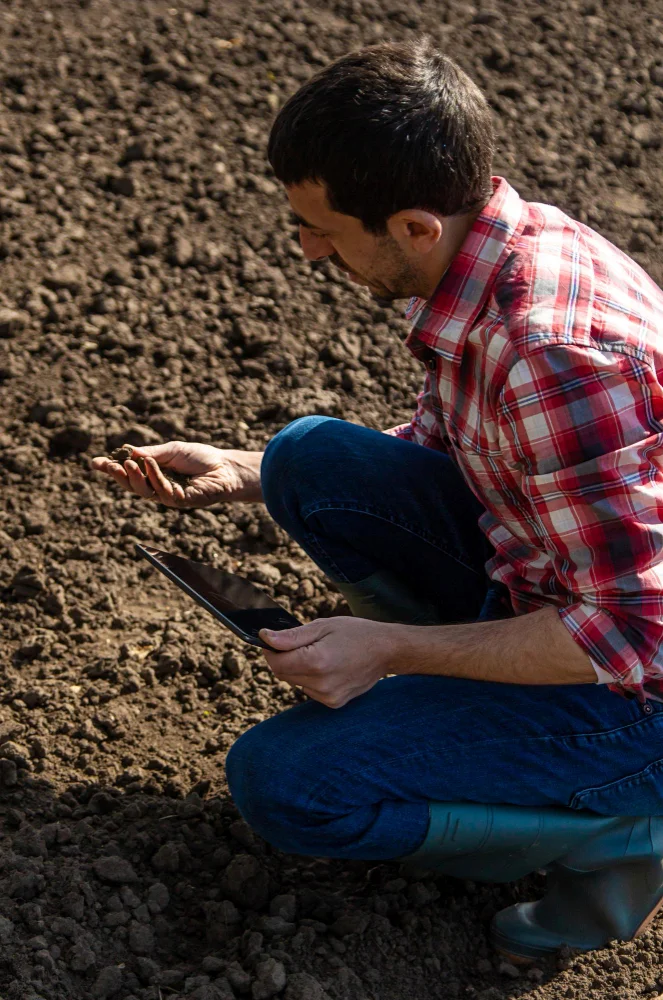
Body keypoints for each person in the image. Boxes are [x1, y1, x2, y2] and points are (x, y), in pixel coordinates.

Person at [92, 39, 663, 961]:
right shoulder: (486, 254)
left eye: (321, 228)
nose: (309, 250)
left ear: (411, 225)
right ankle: (451, 705)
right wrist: (243, 469)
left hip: (639, 698)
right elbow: (456, 448)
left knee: (286, 783)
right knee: (305, 457)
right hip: (551, 584)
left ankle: (623, 835)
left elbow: (632, 636)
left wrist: (391, 647)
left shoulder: (555, 354)